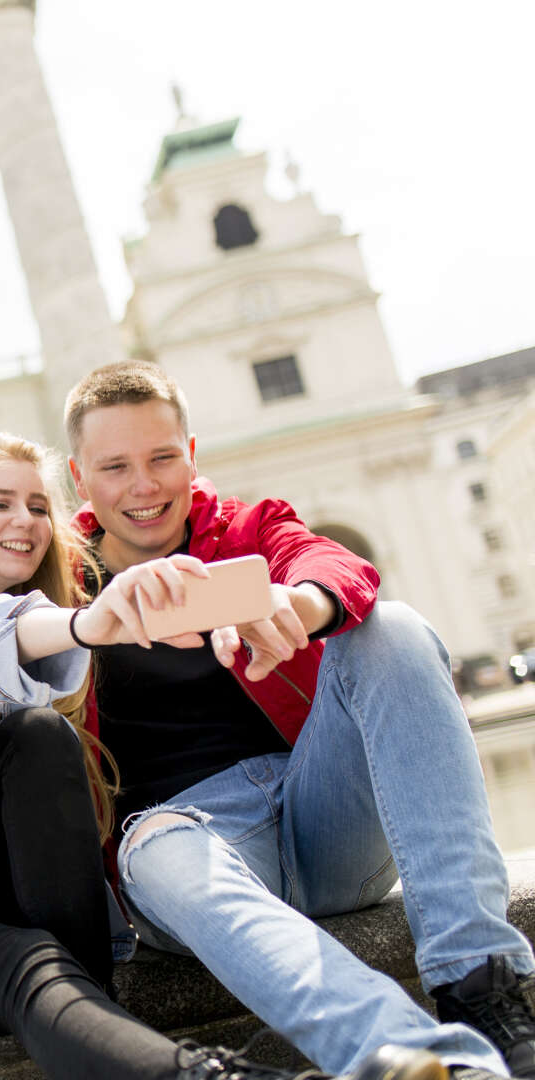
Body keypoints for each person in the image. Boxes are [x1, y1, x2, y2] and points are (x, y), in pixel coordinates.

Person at [0, 429, 438, 1080]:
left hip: (34, 915)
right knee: (35, 972)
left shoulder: (38, 637)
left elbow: (10, 654)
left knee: (42, 737)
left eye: (39, 507)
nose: (25, 521)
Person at [63, 361, 535, 1079]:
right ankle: (420, 1059)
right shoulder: (60, 585)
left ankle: (480, 983)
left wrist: (300, 606)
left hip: (322, 815)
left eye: (162, 458)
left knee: (393, 629)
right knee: (153, 845)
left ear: (191, 456)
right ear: (80, 479)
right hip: (188, 849)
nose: (144, 485)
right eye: (116, 466)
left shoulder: (250, 529)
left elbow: (328, 561)